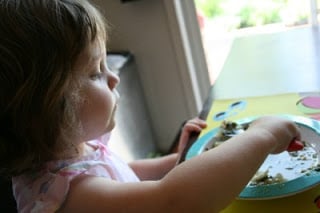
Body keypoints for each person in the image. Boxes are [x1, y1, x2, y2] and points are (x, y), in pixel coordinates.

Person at [0, 0, 301, 212]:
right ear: (45, 107)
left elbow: (124, 173)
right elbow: (174, 202)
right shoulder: (73, 198)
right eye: (95, 72)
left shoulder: (70, 153)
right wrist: (263, 136)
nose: (114, 77)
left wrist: (180, 160)